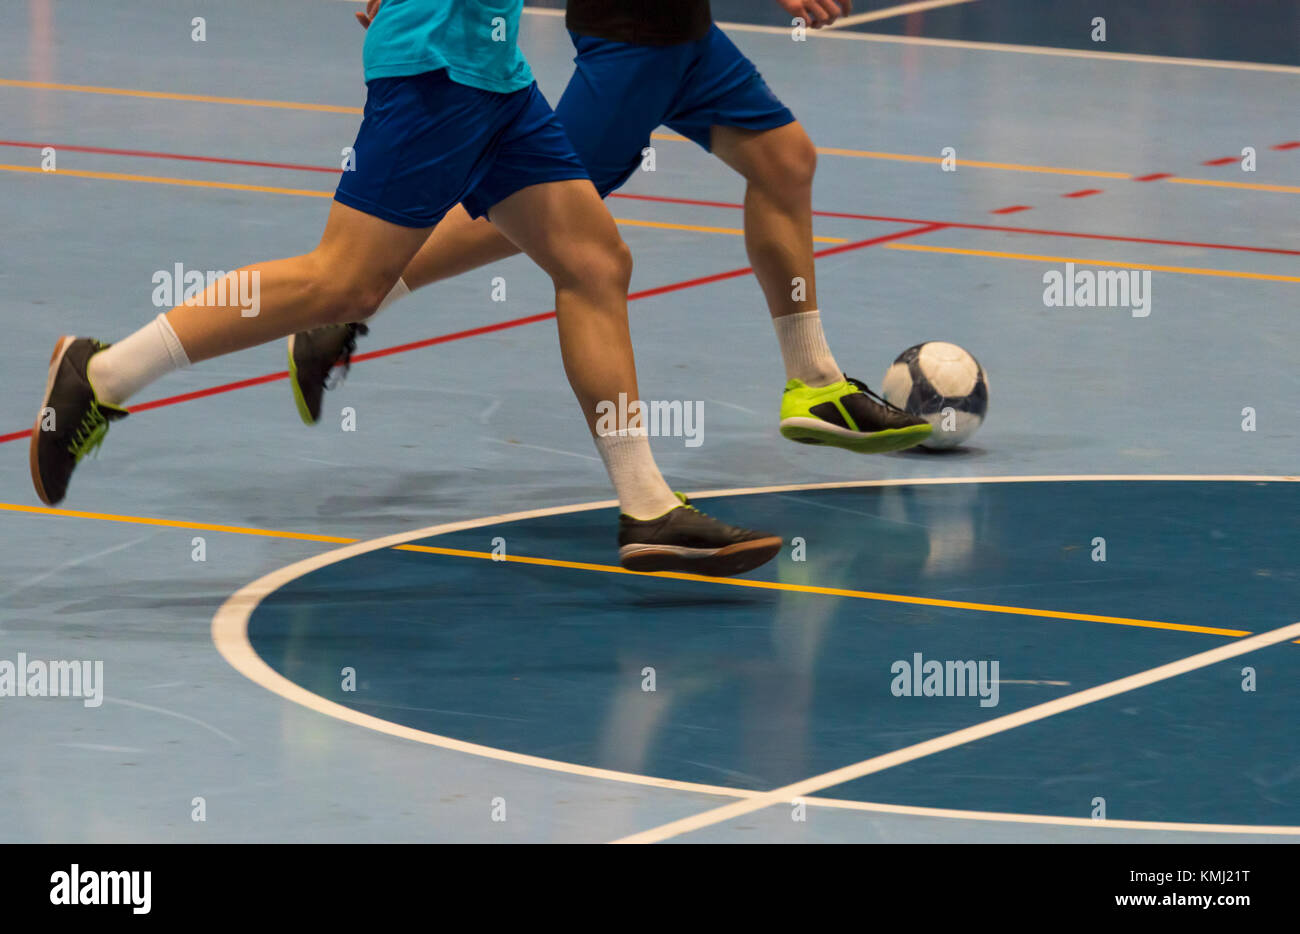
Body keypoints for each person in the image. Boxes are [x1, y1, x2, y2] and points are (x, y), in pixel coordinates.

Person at [29, 0, 783, 577]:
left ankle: (647, 508)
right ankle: (100, 374)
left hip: (492, 70)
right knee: (343, 283)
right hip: (437, 67)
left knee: (595, 263)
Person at [290, 0, 932, 459]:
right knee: (538, 212)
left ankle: (815, 385)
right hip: (632, 35)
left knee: (785, 161)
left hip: (684, 33)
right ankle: (353, 299)